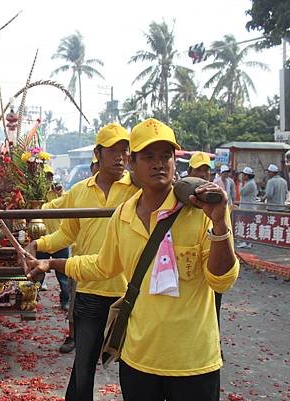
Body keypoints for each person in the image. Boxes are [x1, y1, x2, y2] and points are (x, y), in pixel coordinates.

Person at [26, 118, 239, 401]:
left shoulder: (199, 211)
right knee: (83, 364)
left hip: (193, 361)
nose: (158, 164)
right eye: (148, 156)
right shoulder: (121, 214)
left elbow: (222, 280)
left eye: (166, 156)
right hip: (138, 359)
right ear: (132, 162)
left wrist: (221, 225)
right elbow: (101, 263)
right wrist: (49, 260)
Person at [26, 123, 139, 398]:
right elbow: (67, 232)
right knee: (84, 365)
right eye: (113, 150)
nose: (120, 157)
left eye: (125, 151)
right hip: (89, 290)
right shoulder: (80, 191)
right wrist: (38, 245)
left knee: (133, 367)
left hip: (127, 293)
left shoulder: (137, 189)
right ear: (98, 153)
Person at [38, 165, 70, 307]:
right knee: (38, 271)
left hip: (59, 237)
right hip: (42, 238)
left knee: (63, 274)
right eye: (45, 176)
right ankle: (31, 298)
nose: (48, 179)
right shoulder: (37, 192)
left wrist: (61, 192)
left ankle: (65, 300)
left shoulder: (60, 192)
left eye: (49, 176)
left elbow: (69, 202)